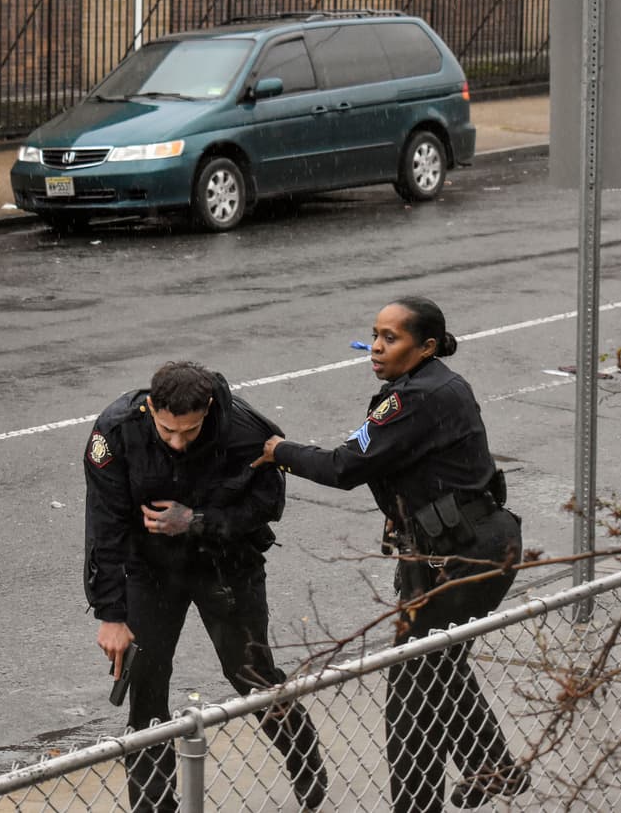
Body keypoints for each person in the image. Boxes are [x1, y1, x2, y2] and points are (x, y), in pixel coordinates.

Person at [251, 297, 529, 812]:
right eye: (374, 335)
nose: (376, 347)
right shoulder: (431, 385)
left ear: (425, 346)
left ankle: (422, 801)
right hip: (459, 547)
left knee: (410, 693)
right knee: (441, 667)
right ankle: (492, 764)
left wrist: (278, 452)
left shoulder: (413, 399)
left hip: (461, 555)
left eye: (391, 338)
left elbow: (343, 466)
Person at [84, 360, 328, 812]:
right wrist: (111, 615)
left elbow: (268, 504)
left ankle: (305, 759)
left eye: (190, 432)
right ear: (151, 407)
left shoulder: (244, 430)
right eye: (167, 431)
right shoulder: (116, 431)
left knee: (250, 674)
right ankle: (154, 804)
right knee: (147, 689)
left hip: (225, 563)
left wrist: (197, 522)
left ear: (209, 410)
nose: (177, 442)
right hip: (151, 569)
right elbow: (105, 526)